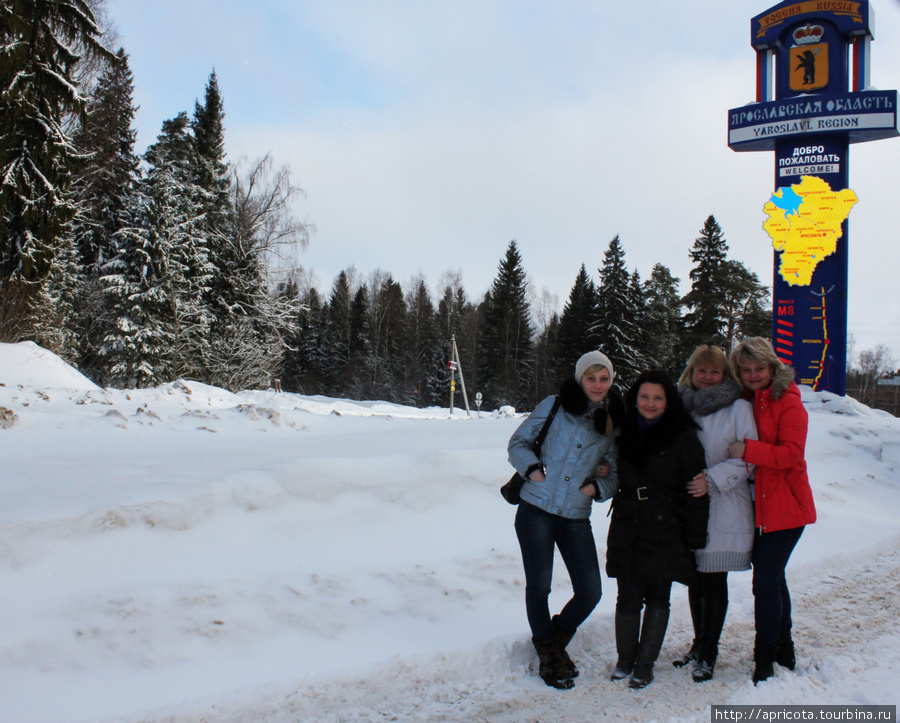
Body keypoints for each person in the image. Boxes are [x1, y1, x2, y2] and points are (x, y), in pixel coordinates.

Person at [508, 350, 622, 689]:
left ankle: (551, 644)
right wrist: (531, 469)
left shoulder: (612, 420)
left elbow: (615, 473)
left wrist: (596, 487)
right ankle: (551, 658)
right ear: (579, 378)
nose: (598, 385)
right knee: (539, 587)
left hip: (575, 515)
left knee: (590, 591)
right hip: (536, 510)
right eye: (591, 378)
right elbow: (518, 443)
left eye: (604, 379)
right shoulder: (554, 405)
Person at [606, 369, 709, 689]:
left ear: (668, 402)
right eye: (644, 397)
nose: (650, 404)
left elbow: (696, 491)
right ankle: (625, 660)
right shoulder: (622, 433)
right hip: (627, 522)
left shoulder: (683, 436)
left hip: (665, 526)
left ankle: (645, 665)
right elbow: (610, 468)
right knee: (627, 597)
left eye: (658, 398)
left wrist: (695, 537)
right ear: (635, 399)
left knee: (658, 597)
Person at [728, 337, 816, 684]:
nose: (752, 375)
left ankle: (763, 656)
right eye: (746, 369)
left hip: (787, 508)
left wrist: (747, 449)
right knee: (773, 578)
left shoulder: (788, 402)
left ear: (772, 367)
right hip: (758, 507)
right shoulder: (746, 400)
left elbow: (791, 454)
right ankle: (784, 645)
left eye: (759, 368)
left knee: (764, 581)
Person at [673, 344, 758, 682]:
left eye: (715, 372)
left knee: (714, 580)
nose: (707, 378)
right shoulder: (682, 408)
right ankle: (698, 643)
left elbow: (749, 457)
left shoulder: (738, 408)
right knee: (696, 578)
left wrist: (712, 479)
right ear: (691, 374)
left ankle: (709, 651)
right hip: (690, 507)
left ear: (726, 375)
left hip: (724, 505)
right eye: (701, 371)